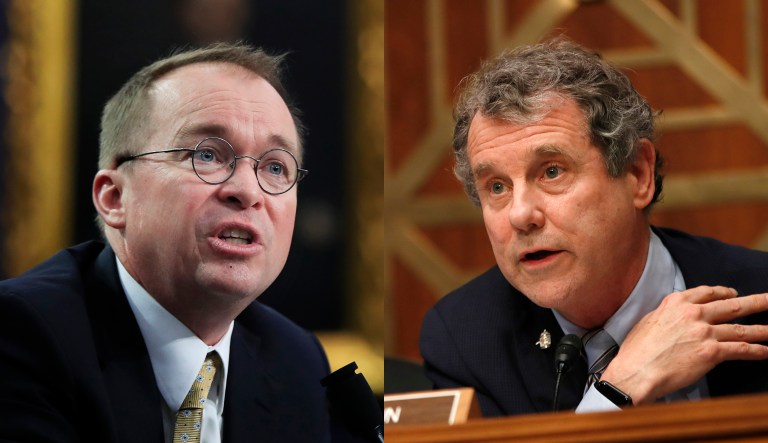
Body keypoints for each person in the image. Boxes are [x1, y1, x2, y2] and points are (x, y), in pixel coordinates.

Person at [0, 43, 349, 442]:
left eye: (274, 167)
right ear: (115, 198)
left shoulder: (296, 361)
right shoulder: (22, 335)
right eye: (207, 155)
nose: (248, 191)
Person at [420, 38, 768, 417]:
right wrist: (617, 389)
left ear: (638, 174)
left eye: (552, 172)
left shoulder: (760, 296)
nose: (520, 215)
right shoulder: (464, 340)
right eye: (497, 187)